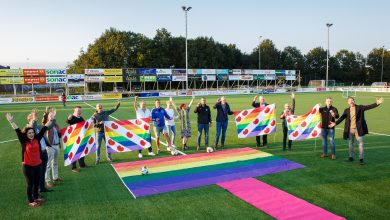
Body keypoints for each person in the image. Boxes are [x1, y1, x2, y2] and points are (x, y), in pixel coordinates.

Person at [6, 109, 56, 207]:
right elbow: (17, 130)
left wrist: (50, 119)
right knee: (30, 184)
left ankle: (36, 197)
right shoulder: (23, 141)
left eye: (33, 133)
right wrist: (11, 122)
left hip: (38, 165)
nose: (32, 134)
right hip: (27, 166)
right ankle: (31, 201)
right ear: (26, 134)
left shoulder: (37, 138)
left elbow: (44, 128)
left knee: (36, 182)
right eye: (29, 133)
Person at [331, 96, 384, 165]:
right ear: (348, 102)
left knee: (361, 144)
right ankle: (351, 157)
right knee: (350, 144)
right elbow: (342, 118)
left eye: (352, 100)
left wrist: (377, 103)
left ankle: (361, 159)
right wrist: (335, 123)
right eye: (350, 100)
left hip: (359, 129)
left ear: (354, 101)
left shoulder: (360, 107)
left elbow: (369, 106)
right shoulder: (346, 110)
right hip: (350, 130)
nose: (351, 101)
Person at [28, 107, 54, 193]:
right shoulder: (29, 129)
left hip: (44, 152)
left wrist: (52, 119)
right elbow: (33, 126)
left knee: (43, 171)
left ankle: (42, 188)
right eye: (33, 118)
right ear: (29, 120)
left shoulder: (39, 126)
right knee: (37, 173)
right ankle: (37, 190)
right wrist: (34, 119)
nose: (36, 119)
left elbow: (49, 126)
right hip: (37, 154)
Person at [93, 100, 121, 164]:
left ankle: (109, 157)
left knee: (108, 145)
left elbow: (114, 109)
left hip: (107, 132)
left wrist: (118, 103)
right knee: (98, 146)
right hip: (99, 132)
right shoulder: (94, 116)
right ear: (96, 108)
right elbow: (93, 125)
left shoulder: (106, 112)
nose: (100, 107)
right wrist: (99, 123)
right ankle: (97, 159)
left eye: (100, 106)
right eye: (98, 106)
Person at [44, 107, 63, 187]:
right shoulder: (47, 124)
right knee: (48, 164)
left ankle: (55, 177)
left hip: (57, 145)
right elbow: (44, 121)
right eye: (51, 116)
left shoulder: (56, 125)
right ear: (48, 117)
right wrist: (47, 112)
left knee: (55, 162)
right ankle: (47, 180)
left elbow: (59, 134)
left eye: (54, 116)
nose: (53, 117)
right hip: (50, 146)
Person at [66, 106, 88, 171]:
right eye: (78, 110)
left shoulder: (81, 117)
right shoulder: (72, 117)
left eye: (80, 110)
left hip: (81, 137)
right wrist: (68, 118)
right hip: (74, 138)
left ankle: (82, 164)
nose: (80, 111)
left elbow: (85, 124)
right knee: (74, 152)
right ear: (74, 110)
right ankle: (74, 167)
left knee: (81, 150)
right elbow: (68, 121)